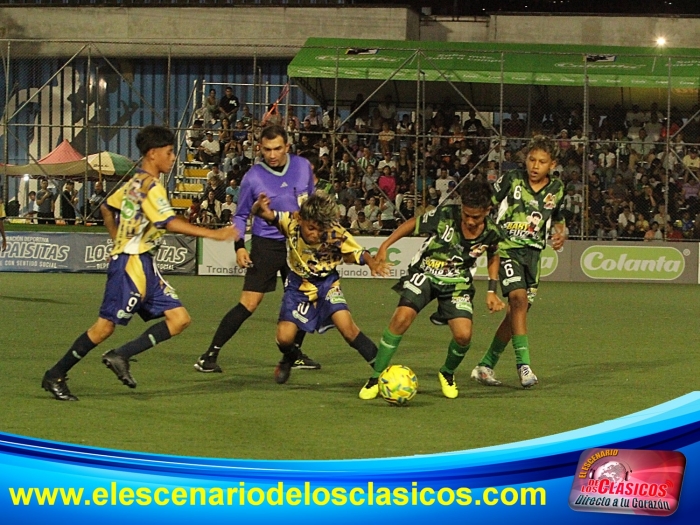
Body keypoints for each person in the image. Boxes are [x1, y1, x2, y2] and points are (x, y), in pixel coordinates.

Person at [41, 126, 238, 401]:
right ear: (153, 153)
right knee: (104, 327)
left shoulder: (135, 182)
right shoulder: (152, 186)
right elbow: (167, 222)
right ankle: (55, 374)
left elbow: (108, 207)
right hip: (131, 265)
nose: (172, 158)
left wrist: (117, 240)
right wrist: (215, 234)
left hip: (142, 262)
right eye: (169, 153)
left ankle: (121, 354)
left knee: (179, 319)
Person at [358, 180, 506, 401]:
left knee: (464, 335)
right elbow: (413, 223)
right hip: (426, 272)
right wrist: (385, 245)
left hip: (457, 282)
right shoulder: (445, 215)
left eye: (476, 217)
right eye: (466, 215)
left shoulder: (492, 232)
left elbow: (494, 254)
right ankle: (376, 376)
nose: (470, 221)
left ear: (487, 210)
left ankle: (447, 373)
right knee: (401, 318)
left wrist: (492, 290)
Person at [195, 124, 321, 374]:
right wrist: (239, 246)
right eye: (267, 149)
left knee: (305, 299)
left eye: (277, 149)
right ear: (260, 149)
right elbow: (240, 215)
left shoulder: (303, 167)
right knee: (249, 303)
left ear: (287, 146)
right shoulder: (252, 177)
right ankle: (209, 355)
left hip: (297, 245)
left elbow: (311, 204)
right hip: (266, 245)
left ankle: (293, 354)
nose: (272, 155)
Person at [251, 192, 389, 386]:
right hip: (298, 286)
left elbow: (359, 252)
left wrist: (372, 263)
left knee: (348, 330)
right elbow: (259, 213)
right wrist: (259, 206)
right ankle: (289, 358)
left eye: (320, 229)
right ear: (301, 219)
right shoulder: (291, 222)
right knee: (284, 338)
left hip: (327, 285)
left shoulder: (335, 232)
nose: (315, 234)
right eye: (311, 228)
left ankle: (384, 373)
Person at [471, 135, 566, 389]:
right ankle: (523, 366)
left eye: (541, 162)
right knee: (518, 299)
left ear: (552, 165)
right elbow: (487, 204)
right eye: (531, 160)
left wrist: (560, 233)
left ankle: (485, 365)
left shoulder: (557, 189)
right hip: (507, 248)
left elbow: (558, 216)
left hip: (533, 256)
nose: (535, 166)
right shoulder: (512, 180)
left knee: (517, 313)